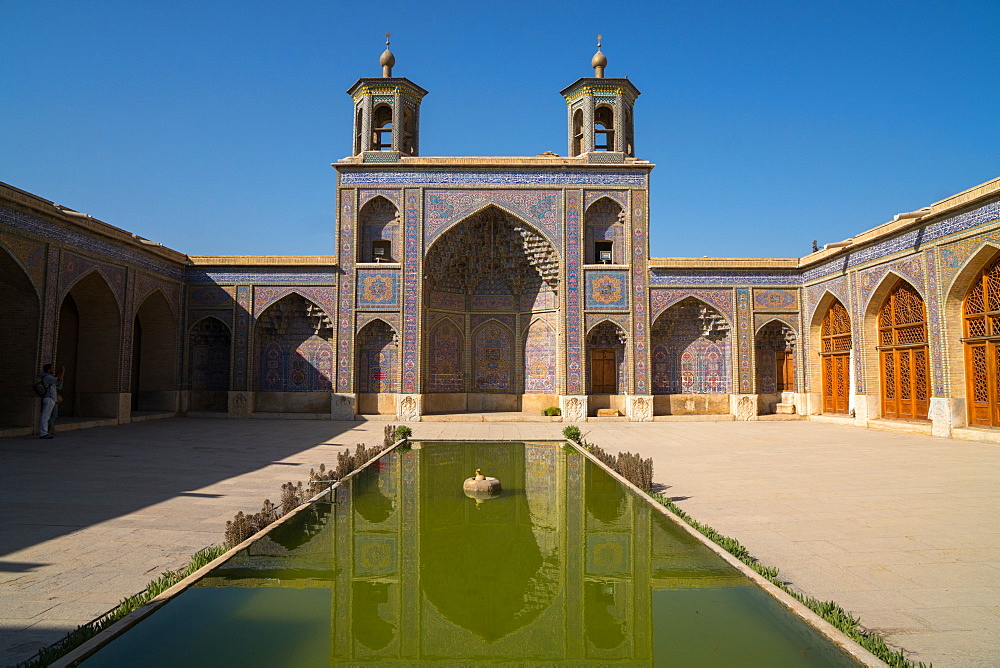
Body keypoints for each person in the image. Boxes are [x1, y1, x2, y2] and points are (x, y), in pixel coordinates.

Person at [39, 364, 64, 439]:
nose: (53, 369)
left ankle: (44, 432)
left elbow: (55, 377)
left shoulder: (48, 377)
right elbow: (59, 379)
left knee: (47, 416)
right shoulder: (47, 377)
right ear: (48, 370)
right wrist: (63, 372)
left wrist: (59, 371)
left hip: (51, 399)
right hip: (49, 398)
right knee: (45, 417)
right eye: (52, 368)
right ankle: (43, 433)